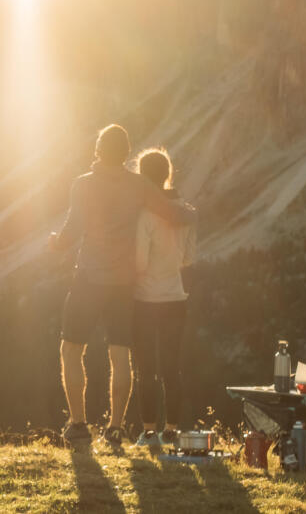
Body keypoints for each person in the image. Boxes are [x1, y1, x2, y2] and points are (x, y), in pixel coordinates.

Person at [48, 124, 196, 448]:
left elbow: (72, 231)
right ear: (127, 153)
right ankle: (115, 428)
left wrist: (55, 243)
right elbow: (169, 213)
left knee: (71, 349)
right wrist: (190, 214)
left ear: (98, 150)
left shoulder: (82, 185)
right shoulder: (139, 186)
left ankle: (78, 424)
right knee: (119, 354)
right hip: (124, 284)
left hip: (88, 278)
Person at [131, 148, 196, 447]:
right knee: (172, 367)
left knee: (145, 368)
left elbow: (140, 264)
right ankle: (171, 430)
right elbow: (188, 259)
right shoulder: (187, 213)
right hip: (175, 298)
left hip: (144, 300)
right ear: (168, 175)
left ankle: (147, 432)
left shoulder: (144, 215)